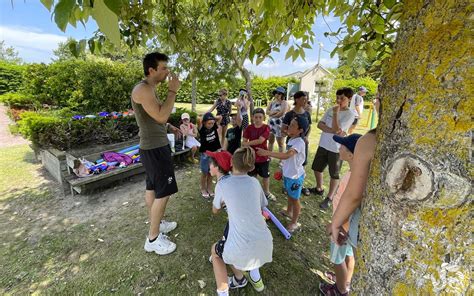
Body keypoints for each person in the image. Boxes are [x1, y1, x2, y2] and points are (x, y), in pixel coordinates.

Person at [131, 52, 180, 255]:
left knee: (152, 188)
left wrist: (169, 126)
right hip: (155, 148)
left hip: (153, 146)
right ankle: (152, 239)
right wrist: (172, 92)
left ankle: (158, 223)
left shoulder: (150, 88)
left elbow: (153, 116)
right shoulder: (143, 89)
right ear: (151, 70)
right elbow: (160, 115)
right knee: (165, 191)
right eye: (163, 68)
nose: (167, 71)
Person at [210, 147, 273, 296]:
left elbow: (215, 210)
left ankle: (223, 292)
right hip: (264, 243)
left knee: (216, 252)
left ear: (231, 162)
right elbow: (262, 205)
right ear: (251, 167)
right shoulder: (254, 183)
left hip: (242, 248)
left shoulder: (223, 185)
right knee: (234, 244)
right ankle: (253, 279)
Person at [319, 134, 362, 296]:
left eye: (342, 146)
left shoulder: (353, 178)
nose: (339, 148)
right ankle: (345, 280)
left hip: (342, 227)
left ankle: (340, 289)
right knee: (348, 255)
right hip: (346, 227)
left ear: (351, 155)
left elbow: (351, 206)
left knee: (337, 259)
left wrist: (338, 226)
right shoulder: (356, 173)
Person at [257, 116, 309, 233]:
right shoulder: (291, 140)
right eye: (289, 124)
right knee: (290, 195)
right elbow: (287, 159)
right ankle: (289, 211)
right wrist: (282, 169)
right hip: (288, 174)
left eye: (292, 126)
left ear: (300, 130)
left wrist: (267, 152)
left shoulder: (300, 142)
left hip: (295, 177)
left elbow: (287, 155)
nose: (288, 127)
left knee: (295, 199)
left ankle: (294, 222)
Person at [310, 87, 355, 210]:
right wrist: (332, 130)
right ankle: (319, 188)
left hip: (336, 148)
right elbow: (320, 124)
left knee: (333, 174)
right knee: (316, 168)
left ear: (349, 99)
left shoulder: (350, 114)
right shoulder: (330, 109)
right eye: (337, 97)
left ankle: (329, 197)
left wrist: (336, 114)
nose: (339, 100)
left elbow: (338, 130)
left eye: (342, 98)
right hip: (323, 144)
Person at [282, 91, 312, 196]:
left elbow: (309, 127)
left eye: (306, 99)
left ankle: (299, 184)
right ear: (296, 99)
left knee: (300, 163)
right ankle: (286, 184)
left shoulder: (307, 114)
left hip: (302, 142)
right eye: (303, 99)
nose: (305, 101)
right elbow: (283, 129)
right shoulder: (289, 114)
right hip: (292, 141)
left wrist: (306, 137)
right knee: (289, 162)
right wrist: (291, 134)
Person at [242, 108, 275, 200]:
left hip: (263, 156)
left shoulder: (266, 127)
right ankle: (254, 191)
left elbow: (261, 140)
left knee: (265, 175)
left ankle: (266, 192)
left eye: (260, 117)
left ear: (264, 117)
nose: (258, 119)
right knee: (252, 175)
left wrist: (247, 143)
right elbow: (244, 140)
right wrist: (245, 145)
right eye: (256, 117)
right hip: (251, 156)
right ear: (252, 118)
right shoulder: (249, 128)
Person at [198, 112, 222, 199]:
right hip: (205, 154)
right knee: (204, 173)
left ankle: (209, 188)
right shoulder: (202, 129)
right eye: (209, 123)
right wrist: (206, 116)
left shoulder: (214, 126)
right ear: (204, 122)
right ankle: (203, 189)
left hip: (214, 153)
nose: (211, 125)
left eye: (212, 123)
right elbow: (199, 119)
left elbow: (220, 118)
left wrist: (212, 117)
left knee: (211, 173)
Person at [266, 86, 288, 153]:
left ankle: (281, 160)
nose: (278, 94)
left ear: (282, 95)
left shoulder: (284, 103)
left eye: (280, 93)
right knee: (270, 142)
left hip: (280, 125)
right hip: (271, 125)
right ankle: (269, 157)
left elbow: (281, 113)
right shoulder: (271, 102)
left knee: (280, 144)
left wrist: (271, 114)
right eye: (276, 93)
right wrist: (274, 112)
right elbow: (267, 112)